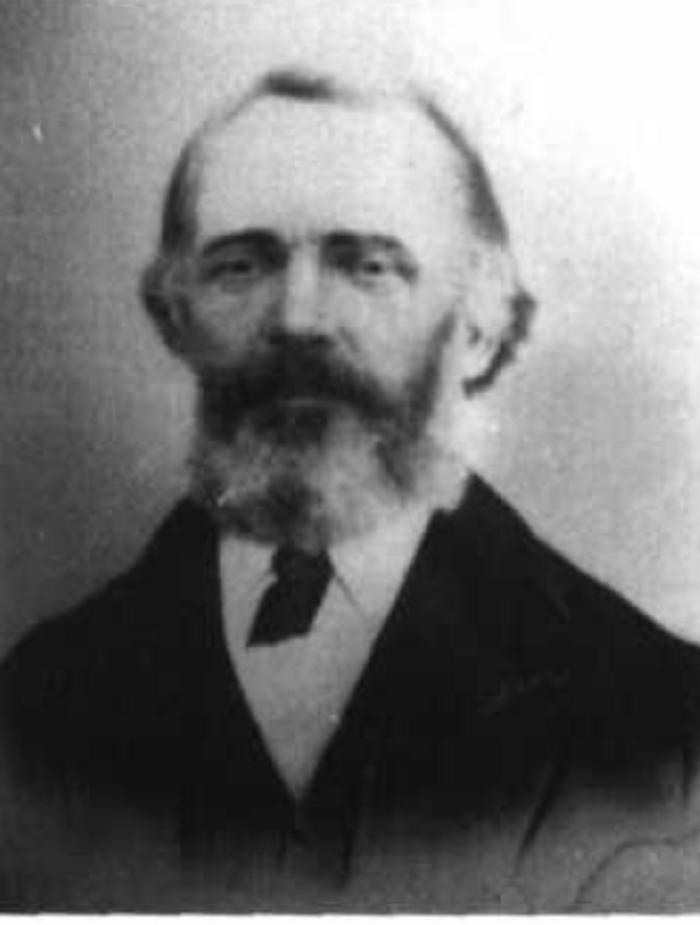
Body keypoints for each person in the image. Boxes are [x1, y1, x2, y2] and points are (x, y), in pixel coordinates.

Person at [1, 67, 699, 913]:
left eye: (367, 265)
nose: (298, 319)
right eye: (240, 266)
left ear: (479, 325)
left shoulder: (659, 718)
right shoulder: (39, 702)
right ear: (174, 314)